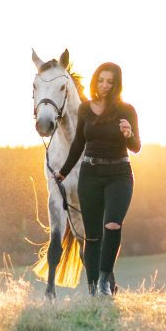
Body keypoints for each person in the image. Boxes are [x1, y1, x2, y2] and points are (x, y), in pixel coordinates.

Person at [55, 62, 141, 297]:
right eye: (101, 80)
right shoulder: (84, 109)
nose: (104, 85)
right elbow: (78, 144)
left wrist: (128, 134)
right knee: (91, 235)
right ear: (95, 81)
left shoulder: (127, 110)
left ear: (116, 85)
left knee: (112, 224)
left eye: (110, 81)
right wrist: (63, 172)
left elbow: (136, 147)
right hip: (90, 175)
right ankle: (93, 287)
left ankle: (104, 279)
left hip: (119, 175)